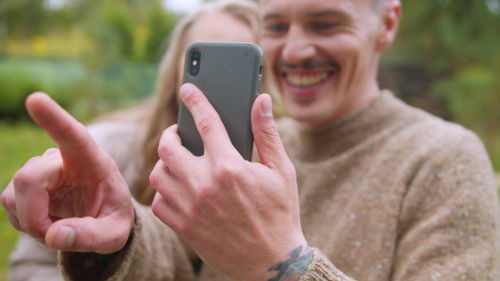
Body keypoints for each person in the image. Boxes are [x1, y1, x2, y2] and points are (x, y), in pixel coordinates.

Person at [2, 0, 499, 280]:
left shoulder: (445, 160)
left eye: (326, 23)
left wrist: (282, 262)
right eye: (277, 26)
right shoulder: (256, 141)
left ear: (387, 22)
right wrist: (122, 233)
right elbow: (182, 266)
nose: (295, 50)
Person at [5, 0, 260, 280]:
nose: (218, 86)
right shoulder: (106, 149)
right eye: (206, 63)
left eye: (237, 69)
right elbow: (30, 268)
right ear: (175, 71)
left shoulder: (280, 178)